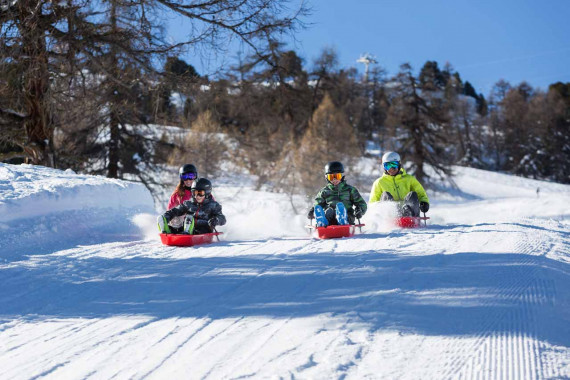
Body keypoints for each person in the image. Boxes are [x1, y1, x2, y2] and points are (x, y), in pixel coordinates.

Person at [307, 161, 367, 227]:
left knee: (341, 208)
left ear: (341, 176)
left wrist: (359, 211)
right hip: (329, 219)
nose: (334, 180)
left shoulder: (350, 190)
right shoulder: (324, 191)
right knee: (329, 211)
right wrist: (312, 211)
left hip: (347, 217)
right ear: (327, 178)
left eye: (337, 176)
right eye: (331, 177)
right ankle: (322, 222)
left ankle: (342, 220)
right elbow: (318, 204)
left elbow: (362, 204)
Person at [369, 151, 429, 217]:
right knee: (385, 195)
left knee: (412, 194)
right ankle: (395, 212)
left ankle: (408, 214)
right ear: (384, 167)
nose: (391, 169)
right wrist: (378, 211)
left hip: (410, 213)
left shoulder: (409, 179)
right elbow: (373, 203)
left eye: (394, 165)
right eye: (388, 166)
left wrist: (424, 202)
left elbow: (421, 193)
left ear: (399, 165)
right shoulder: (379, 182)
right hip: (391, 215)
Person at [158, 178, 226, 235]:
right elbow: (176, 210)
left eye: (200, 193)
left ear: (207, 193)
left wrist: (215, 220)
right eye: (195, 193)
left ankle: (188, 232)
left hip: (204, 230)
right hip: (186, 227)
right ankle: (166, 230)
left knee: (190, 219)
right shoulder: (188, 204)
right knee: (178, 228)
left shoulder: (214, 205)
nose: (197, 196)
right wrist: (167, 215)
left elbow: (222, 218)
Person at [166, 164, 198, 233]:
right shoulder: (177, 194)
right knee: (175, 218)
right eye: (185, 177)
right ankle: (172, 230)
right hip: (181, 224)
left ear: (195, 177)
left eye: (191, 176)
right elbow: (170, 210)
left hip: (198, 221)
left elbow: (210, 204)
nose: (188, 180)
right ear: (181, 178)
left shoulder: (201, 191)